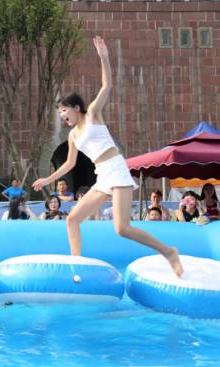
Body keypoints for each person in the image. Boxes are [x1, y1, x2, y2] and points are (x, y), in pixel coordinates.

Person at [32, 36, 183, 277]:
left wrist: (104, 58)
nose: (63, 116)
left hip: (115, 168)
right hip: (101, 175)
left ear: (76, 107)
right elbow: (69, 164)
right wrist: (47, 180)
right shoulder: (72, 136)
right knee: (72, 219)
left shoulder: (92, 114)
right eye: (60, 114)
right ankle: (77, 266)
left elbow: (107, 86)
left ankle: (168, 252)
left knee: (122, 229)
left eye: (64, 111)